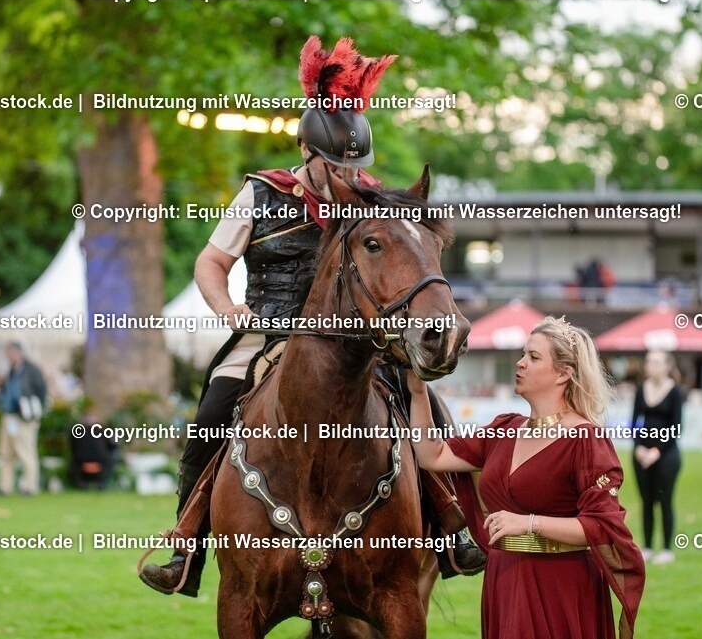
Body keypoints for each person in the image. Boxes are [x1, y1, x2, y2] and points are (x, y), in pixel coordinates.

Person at [140, 35, 484, 597]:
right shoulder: (261, 193)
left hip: (357, 339)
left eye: (356, 163)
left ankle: (449, 526)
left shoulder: (372, 200)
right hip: (270, 331)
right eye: (336, 163)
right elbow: (210, 261)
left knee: (426, 403)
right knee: (213, 412)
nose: (349, 175)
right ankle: (186, 545)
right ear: (307, 153)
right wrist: (227, 307)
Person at [407, 316, 644, 638]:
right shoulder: (503, 429)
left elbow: (602, 526)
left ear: (563, 373)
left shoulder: (586, 440)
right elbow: (431, 455)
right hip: (504, 578)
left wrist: (529, 523)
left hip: (561, 586)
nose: (520, 363)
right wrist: (419, 392)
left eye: (533, 357)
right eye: (523, 354)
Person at [632, 350, 683, 565]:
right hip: (642, 454)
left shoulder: (675, 392)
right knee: (646, 501)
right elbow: (635, 422)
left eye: (657, 362)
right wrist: (638, 447)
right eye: (649, 362)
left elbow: (676, 427)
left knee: (665, 501)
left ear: (667, 365)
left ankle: (666, 548)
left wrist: (656, 451)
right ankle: (647, 546)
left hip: (666, 455)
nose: (652, 366)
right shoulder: (641, 390)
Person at [0, 342, 48, 496]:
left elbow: (41, 391)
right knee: (6, 452)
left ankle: (29, 486)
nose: (7, 357)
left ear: (17, 352)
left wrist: (34, 411)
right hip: (9, 415)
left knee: (25, 451)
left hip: (25, 417)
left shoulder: (31, 370)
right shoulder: (11, 371)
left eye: (9, 353)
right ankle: (5, 486)